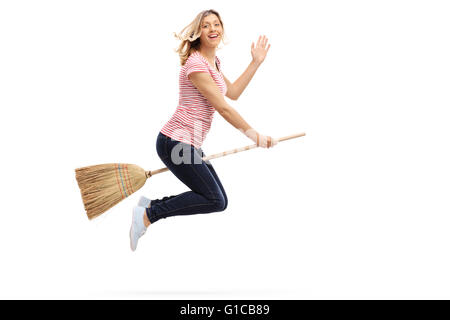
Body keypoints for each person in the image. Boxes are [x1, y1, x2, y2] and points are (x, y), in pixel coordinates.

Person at [130, 9, 277, 251]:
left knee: (220, 200)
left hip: (188, 143)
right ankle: (149, 214)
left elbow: (233, 93)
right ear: (199, 32)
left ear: (222, 30)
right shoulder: (196, 65)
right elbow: (223, 108)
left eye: (216, 24)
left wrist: (255, 62)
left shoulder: (213, 62)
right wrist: (255, 136)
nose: (213, 29)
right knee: (214, 199)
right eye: (206, 25)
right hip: (174, 142)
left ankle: (149, 205)